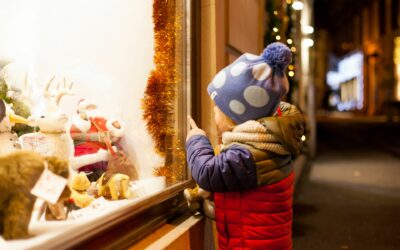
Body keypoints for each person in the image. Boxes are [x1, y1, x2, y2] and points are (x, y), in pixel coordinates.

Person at [185, 42, 305, 250]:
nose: (213, 113)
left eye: (217, 109)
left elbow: (206, 172)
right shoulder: (268, 145)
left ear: (235, 116)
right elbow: (248, 201)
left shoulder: (246, 155)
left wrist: (196, 139)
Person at [70, 99, 125, 182]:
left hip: (105, 149)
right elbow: (74, 135)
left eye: (93, 107)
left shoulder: (105, 120)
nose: (92, 109)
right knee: (89, 165)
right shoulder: (80, 122)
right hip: (88, 150)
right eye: (88, 107)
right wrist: (95, 137)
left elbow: (117, 135)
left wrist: (116, 128)